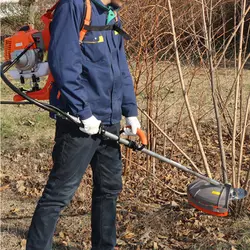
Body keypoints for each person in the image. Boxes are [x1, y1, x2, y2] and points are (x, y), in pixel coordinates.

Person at [26, 0, 140, 249]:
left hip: (109, 122)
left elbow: (121, 68)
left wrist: (130, 113)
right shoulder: (74, 6)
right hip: (79, 123)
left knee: (109, 190)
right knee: (58, 194)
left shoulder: (111, 14)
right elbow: (63, 65)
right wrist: (83, 112)